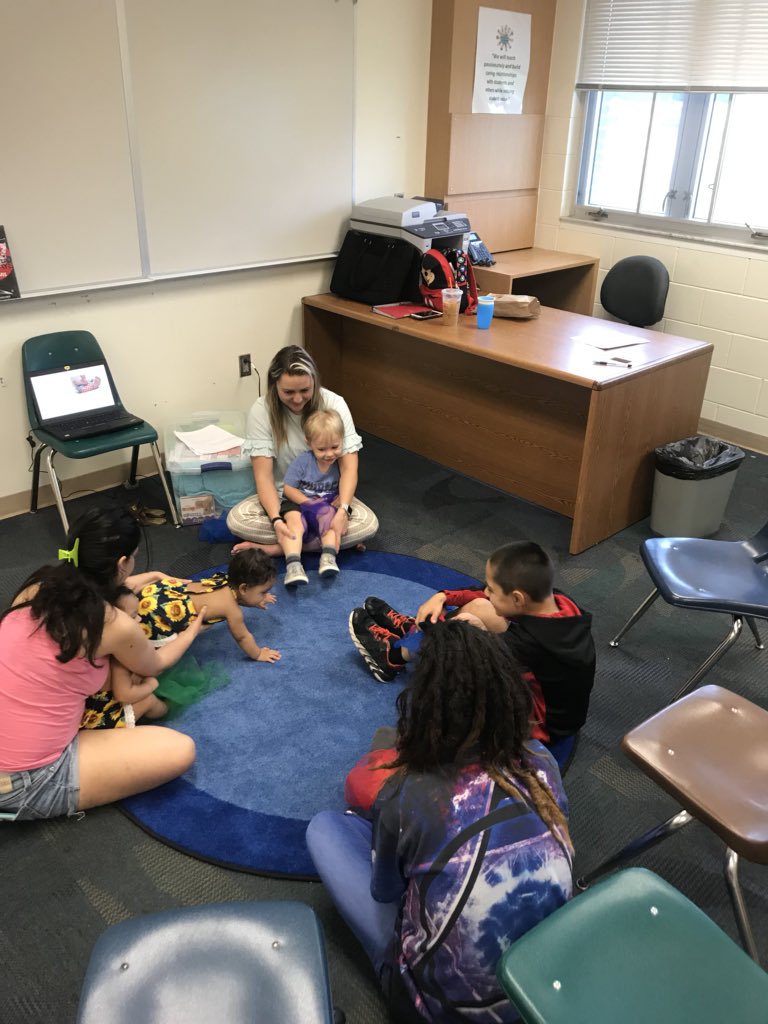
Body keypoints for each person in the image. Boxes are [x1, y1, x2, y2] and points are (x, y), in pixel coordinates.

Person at [307, 621, 573, 1024]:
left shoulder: (410, 795)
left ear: (424, 704)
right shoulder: (540, 761)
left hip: (437, 1009)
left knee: (326, 829)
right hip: (544, 995)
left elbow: (387, 892)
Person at [0, 507, 205, 821]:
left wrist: (148, 577)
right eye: (134, 557)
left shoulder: (38, 585)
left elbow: (100, 589)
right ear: (122, 563)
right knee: (180, 750)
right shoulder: (113, 624)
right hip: (23, 780)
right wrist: (193, 629)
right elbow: (156, 662)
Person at [349, 541, 596, 762]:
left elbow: (469, 662)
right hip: (549, 689)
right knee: (478, 608)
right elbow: (482, 598)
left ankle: (394, 657)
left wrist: (454, 636)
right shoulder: (559, 602)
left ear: (518, 599)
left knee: (458, 646)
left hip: (541, 725)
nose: (486, 591)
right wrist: (443, 597)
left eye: (492, 588)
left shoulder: (528, 644)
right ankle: (417, 630)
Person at [226, 345, 378, 556]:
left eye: (305, 390)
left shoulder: (334, 403)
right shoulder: (261, 410)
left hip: (328, 496)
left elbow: (350, 468)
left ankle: (278, 549)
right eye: (288, 392)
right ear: (274, 386)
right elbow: (263, 477)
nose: (297, 399)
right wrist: (277, 520)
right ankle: (329, 541)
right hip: (285, 498)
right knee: (236, 521)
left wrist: (343, 509)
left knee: (369, 525)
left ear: (314, 383)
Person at [136, 547, 281, 662]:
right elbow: (242, 637)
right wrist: (258, 653)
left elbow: (242, 597)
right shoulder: (233, 611)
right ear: (243, 588)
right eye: (262, 592)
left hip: (159, 592)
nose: (263, 596)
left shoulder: (225, 579)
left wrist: (257, 600)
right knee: (162, 654)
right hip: (159, 613)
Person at [80, 585, 168, 729]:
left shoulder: (93, 638)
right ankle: (168, 715)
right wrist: (151, 685)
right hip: (95, 718)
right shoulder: (118, 656)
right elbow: (124, 695)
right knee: (149, 700)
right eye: (133, 616)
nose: (139, 619)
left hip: (88, 703)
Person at [278, 408, 347, 585]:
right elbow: (288, 489)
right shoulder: (303, 461)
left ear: (342, 441)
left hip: (326, 504)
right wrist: (308, 502)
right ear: (309, 444)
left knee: (330, 521)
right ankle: (293, 566)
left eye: (335, 447)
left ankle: (328, 558)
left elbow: (346, 485)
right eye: (322, 449)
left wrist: (340, 501)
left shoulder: (341, 463)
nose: (329, 454)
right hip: (299, 502)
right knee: (294, 524)